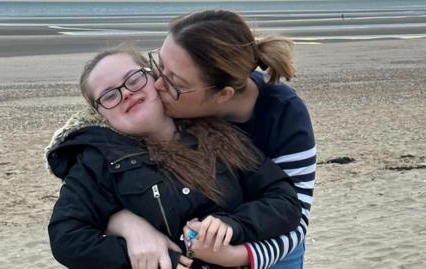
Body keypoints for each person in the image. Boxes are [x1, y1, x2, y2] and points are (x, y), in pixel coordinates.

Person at [45, 47, 302, 269]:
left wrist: (232, 226)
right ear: (101, 113)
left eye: (133, 79)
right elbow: (67, 236)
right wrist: (147, 257)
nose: (125, 94)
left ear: (156, 79)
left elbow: (283, 200)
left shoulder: (220, 136)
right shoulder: (98, 160)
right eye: (109, 95)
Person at [106, 9, 316, 269]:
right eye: (159, 66)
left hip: (267, 246)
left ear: (223, 95)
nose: (157, 85)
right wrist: (127, 223)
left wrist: (237, 256)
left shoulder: (284, 115)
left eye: (175, 82)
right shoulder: (162, 102)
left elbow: (296, 219)